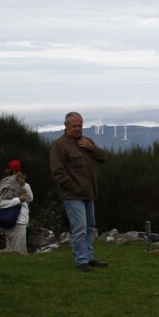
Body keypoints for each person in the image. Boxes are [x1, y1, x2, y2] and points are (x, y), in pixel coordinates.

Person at [50, 112, 108, 272]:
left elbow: (103, 158)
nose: (78, 129)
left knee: (90, 227)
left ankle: (89, 258)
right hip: (73, 195)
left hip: (89, 193)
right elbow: (58, 172)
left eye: (80, 126)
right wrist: (74, 187)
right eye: (74, 126)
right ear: (66, 126)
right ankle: (81, 260)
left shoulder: (87, 142)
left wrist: (92, 148)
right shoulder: (59, 145)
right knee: (80, 227)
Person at [0, 160, 33, 254]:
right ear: (12, 171)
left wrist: (24, 185)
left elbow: (30, 198)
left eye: (19, 170)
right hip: (14, 222)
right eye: (16, 171)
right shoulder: (6, 185)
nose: (18, 173)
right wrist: (18, 200)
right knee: (20, 255)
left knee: (12, 255)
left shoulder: (24, 184)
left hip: (19, 222)